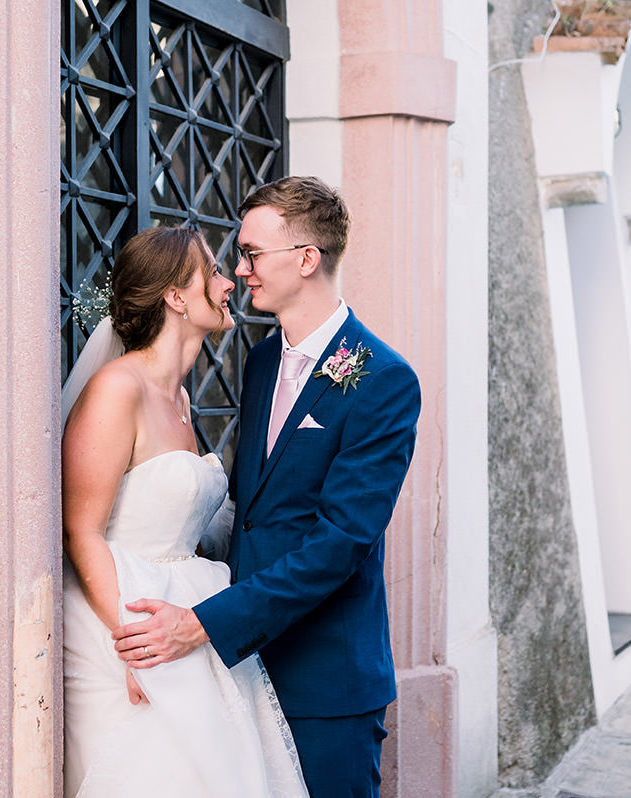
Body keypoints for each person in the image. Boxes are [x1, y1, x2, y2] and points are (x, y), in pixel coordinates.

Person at [112, 176, 422, 797]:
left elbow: (339, 545)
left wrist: (201, 624)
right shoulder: (259, 362)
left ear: (307, 259)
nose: (240, 269)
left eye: (253, 253)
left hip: (323, 677)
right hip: (240, 673)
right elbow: (248, 514)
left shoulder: (384, 381)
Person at [61, 225, 309, 797]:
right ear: (175, 296)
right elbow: (82, 532)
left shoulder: (178, 397)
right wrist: (134, 643)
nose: (229, 284)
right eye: (214, 273)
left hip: (188, 608)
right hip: (124, 614)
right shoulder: (116, 390)